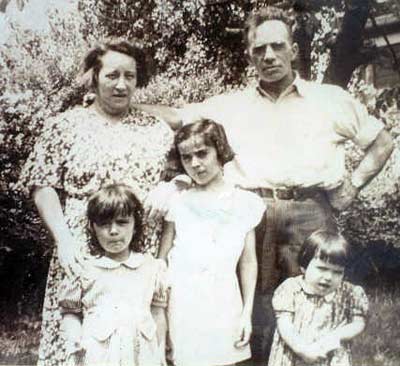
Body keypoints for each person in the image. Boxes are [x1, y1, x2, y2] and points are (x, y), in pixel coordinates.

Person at [136, 6, 393, 361]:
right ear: (250, 56)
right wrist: (127, 101)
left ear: (293, 49)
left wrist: (351, 187)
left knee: (314, 304)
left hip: (310, 213)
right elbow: (177, 117)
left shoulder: (330, 100)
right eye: (259, 50)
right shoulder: (229, 105)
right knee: (253, 306)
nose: (269, 56)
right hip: (252, 212)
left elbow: (381, 142)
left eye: (277, 46)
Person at [14, 39, 173, 366]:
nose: (121, 84)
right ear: (95, 77)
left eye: (130, 76)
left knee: (135, 338)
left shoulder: (156, 131)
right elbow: (40, 183)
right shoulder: (66, 125)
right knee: (78, 339)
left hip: (138, 251)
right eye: (112, 75)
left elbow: (190, 174)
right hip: (81, 248)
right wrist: (64, 240)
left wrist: (172, 188)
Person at [157, 119, 265, 366]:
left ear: (220, 150)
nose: (195, 164)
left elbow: (248, 262)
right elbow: (162, 262)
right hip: (183, 304)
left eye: (202, 154)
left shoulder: (245, 203)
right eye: (186, 158)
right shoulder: (178, 202)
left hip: (224, 303)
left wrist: (246, 314)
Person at [59, 184, 167, 366]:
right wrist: (75, 343)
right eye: (104, 224)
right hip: (99, 353)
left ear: (135, 225)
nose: (114, 231)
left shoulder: (151, 267)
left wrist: (160, 351)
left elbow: (157, 312)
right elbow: (70, 312)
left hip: (142, 354)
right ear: (92, 228)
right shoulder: (84, 270)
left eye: (122, 222)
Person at [268, 230, 368, 366]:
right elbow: (284, 325)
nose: (328, 277)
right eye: (322, 268)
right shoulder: (291, 290)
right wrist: (302, 350)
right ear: (304, 267)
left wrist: (336, 336)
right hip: (294, 354)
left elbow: (358, 323)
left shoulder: (349, 293)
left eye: (337, 272)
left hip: (331, 355)